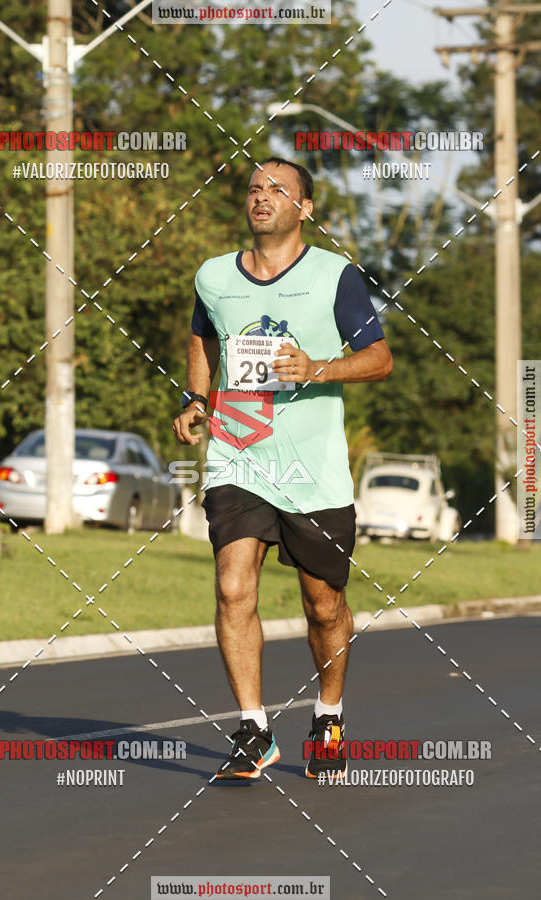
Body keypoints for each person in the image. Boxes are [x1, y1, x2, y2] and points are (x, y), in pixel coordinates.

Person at [172, 157, 392, 780]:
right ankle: (253, 729)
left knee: (324, 605)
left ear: (306, 208)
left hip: (312, 468)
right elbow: (202, 335)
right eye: (254, 188)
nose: (261, 196)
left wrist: (317, 368)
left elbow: (379, 358)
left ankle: (328, 715)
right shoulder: (214, 276)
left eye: (278, 189)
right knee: (232, 584)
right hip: (237, 454)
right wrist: (196, 397)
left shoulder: (335, 275)